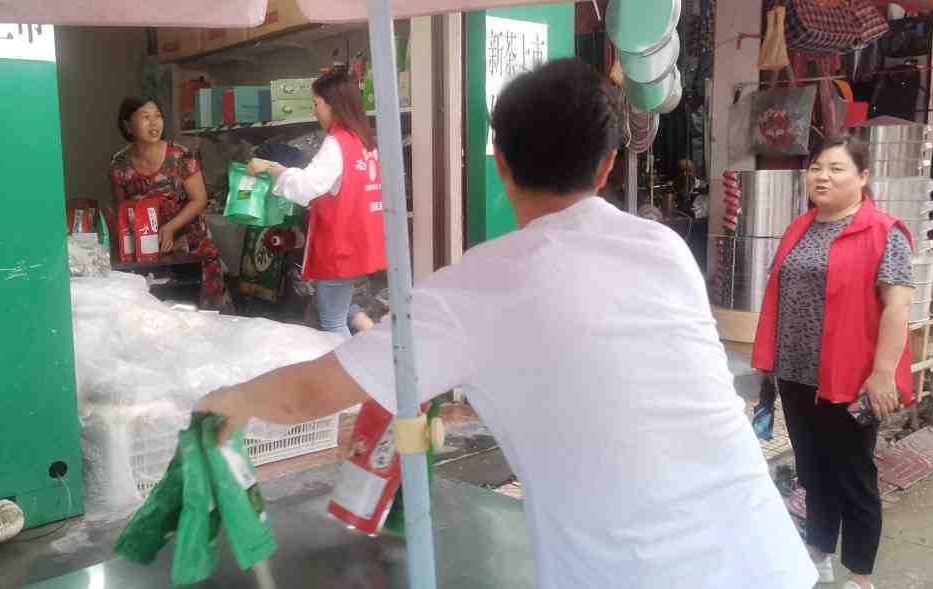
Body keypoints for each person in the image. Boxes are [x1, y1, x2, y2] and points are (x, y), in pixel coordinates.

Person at [199, 59, 816, 589]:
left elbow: (308, 393)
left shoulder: (479, 287)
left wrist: (228, 400)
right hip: (769, 559)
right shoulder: (665, 250)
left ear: (500, 164)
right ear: (607, 166)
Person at [752, 135, 916, 589]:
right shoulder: (800, 227)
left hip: (850, 376)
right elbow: (779, 294)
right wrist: (768, 356)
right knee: (812, 468)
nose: (822, 177)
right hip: (796, 372)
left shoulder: (884, 231)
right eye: (816, 168)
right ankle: (819, 549)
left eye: (836, 168)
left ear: (863, 177)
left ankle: (860, 575)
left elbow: (898, 305)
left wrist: (882, 374)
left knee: (853, 475)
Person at [245, 69, 385, 337]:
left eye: (316, 103)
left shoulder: (337, 142)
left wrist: (271, 167)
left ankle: (355, 363)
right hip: (358, 239)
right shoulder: (362, 140)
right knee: (341, 309)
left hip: (339, 244)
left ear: (334, 104)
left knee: (332, 322)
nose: (314, 111)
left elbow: (307, 186)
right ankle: (376, 345)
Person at [109, 96, 230, 311]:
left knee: (204, 314)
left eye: (158, 116)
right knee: (157, 315)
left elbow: (199, 199)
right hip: (148, 254)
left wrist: (170, 227)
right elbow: (123, 210)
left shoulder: (180, 156)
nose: (154, 123)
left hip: (191, 248)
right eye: (145, 117)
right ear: (128, 125)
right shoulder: (119, 165)